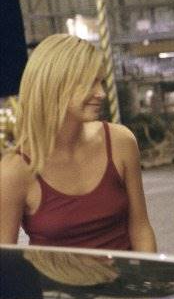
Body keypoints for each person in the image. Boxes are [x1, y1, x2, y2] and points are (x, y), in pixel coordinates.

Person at [0, 34, 157, 252]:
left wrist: (150, 273)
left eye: (101, 81)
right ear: (54, 86)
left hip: (125, 275)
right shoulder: (15, 170)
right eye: (89, 83)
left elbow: (140, 228)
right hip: (55, 277)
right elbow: (5, 259)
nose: (101, 93)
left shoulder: (120, 142)